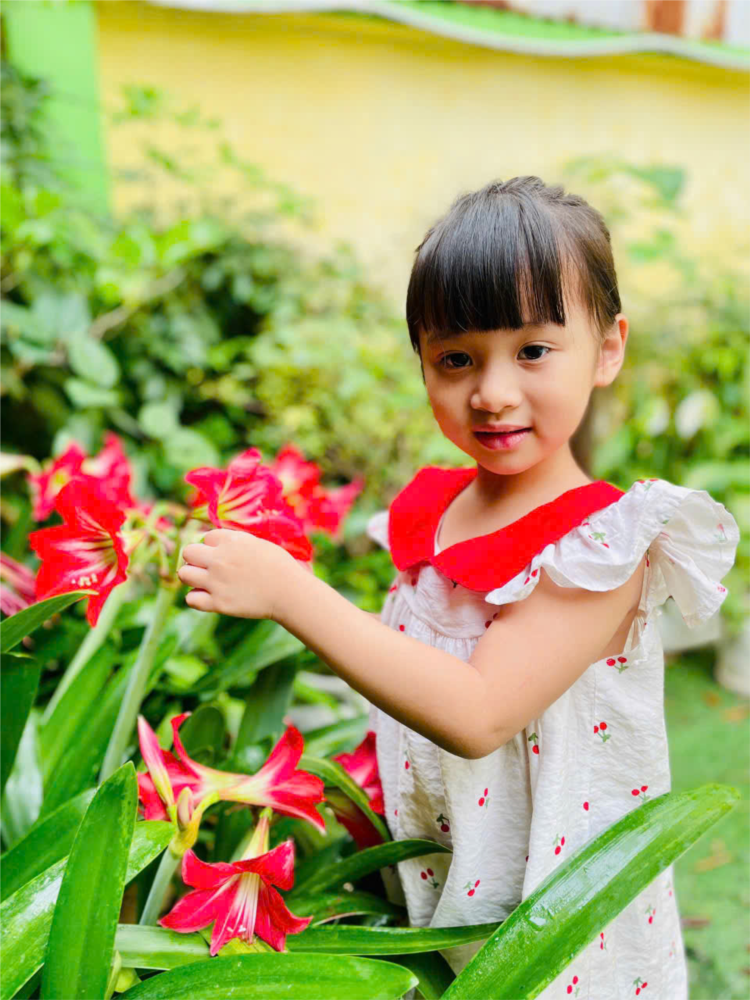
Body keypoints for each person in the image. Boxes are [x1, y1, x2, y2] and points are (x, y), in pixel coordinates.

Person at [178, 176, 740, 999]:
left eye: (533, 350)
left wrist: (291, 593)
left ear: (608, 348)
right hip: (440, 877)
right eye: (456, 358)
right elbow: (408, 666)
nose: (493, 392)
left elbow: (479, 714)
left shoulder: (601, 548)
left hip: (552, 919)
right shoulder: (436, 513)